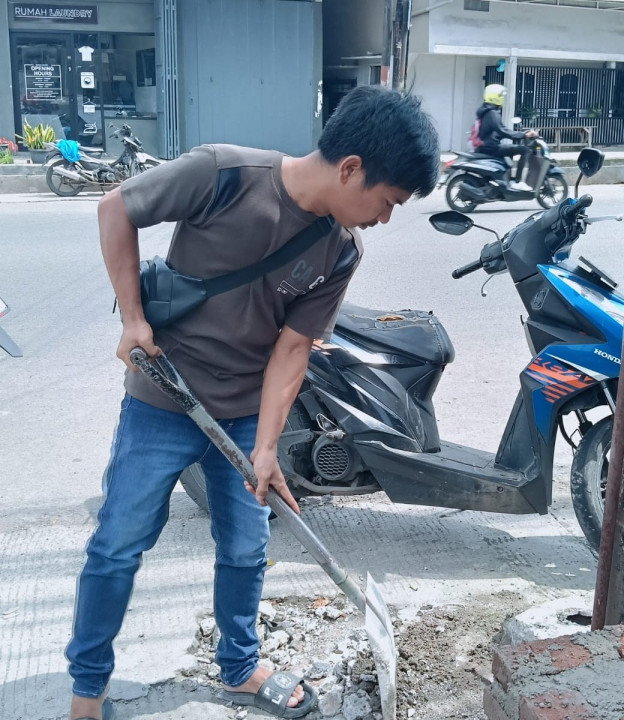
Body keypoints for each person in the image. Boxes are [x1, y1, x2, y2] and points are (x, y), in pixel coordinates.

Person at [66, 85, 440, 720]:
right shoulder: (223, 174)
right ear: (351, 169)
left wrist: (266, 448)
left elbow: (292, 349)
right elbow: (115, 208)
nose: (383, 218)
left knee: (245, 547)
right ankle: (88, 689)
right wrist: (132, 319)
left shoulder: (339, 250)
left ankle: (240, 666)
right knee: (118, 544)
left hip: (241, 415)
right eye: (387, 202)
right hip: (163, 398)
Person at [474, 83, 538, 191]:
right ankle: (517, 181)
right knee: (525, 150)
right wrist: (523, 135)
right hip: (491, 147)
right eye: (501, 96)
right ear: (494, 97)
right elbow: (502, 130)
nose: (502, 99)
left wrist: (515, 134)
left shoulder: (485, 111)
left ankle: (508, 180)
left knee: (511, 152)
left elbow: (497, 132)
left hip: (486, 146)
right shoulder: (492, 113)